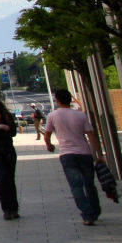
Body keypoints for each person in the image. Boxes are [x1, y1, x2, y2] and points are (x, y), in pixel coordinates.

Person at [43, 87, 104, 225]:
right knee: (89, 184)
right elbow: (91, 135)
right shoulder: (81, 115)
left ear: (57, 100)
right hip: (85, 153)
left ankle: (87, 214)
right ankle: (95, 210)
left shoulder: (53, 116)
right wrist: (99, 154)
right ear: (70, 99)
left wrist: (49, 145)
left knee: (76, 186)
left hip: (67, 154)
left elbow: (47, 134)